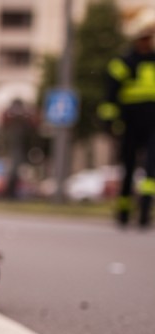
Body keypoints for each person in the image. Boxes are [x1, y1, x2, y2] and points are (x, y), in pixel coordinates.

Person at [98, 8, 155, 228]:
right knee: (129, 167)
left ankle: (145, 212)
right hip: (130, 122)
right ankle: (123, 212)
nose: (147, 42)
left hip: (152, 123)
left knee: (151, 168)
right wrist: (110, 122)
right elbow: (110, 96)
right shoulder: (123, 62)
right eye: (144, 38)